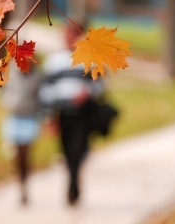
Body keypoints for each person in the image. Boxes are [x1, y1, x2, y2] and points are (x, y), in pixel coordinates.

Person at [39, 20, 118, 205]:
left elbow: (99, 85)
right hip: (63, 113)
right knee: (67, 151)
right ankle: (73, 179)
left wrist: (87, 92)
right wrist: (48, 117)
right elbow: (46, 90)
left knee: (78, 148)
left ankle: (73, 186)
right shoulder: (54, 61)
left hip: (83, 114)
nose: (68, 38)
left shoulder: (90, 58)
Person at [1, 64, 42, 205]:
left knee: (25, 153)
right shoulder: (11, 73)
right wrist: (9, 102)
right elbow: (4, 90)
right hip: (14, 117)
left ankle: (25, 182)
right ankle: (21, 183)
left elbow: (42, 96)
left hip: (30, 117)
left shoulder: (37, 76)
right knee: (17, 154)